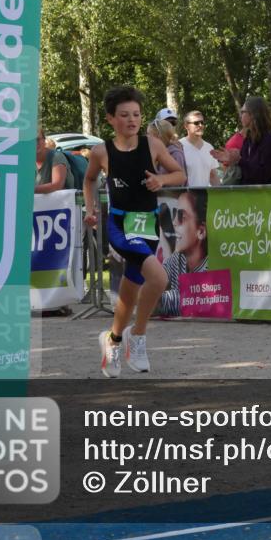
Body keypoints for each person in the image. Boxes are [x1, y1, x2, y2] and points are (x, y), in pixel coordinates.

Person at [83, 86, 186, 377]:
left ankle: (113, 340)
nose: (132, 120)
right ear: (110, 119)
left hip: (148, 224)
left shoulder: (153, 145)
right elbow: (89, 180)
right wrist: (90, 209)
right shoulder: (101, 151)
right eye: (125, 115)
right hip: (120, 226)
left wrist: (161, 181)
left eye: (136, 114)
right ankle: (137, 336)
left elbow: (180, 174)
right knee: (159, 277)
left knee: (130, 291)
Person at [157, 190, 209, 318]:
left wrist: (149, 297)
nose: (174, 222)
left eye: (181, 217)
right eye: (175, 214)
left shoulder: (211, 267)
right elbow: (155, 282)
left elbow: (190, 302)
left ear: (201, 231)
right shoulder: (178, 258)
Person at [236, 96, 271, 185]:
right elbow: (246, 173)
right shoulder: (248, 139)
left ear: (253, 114)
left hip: (270, 192)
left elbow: (262, 175)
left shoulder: (269, 140)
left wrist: (239, 160)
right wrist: (232, 160)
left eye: (243, 112)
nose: (240, 115)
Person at [180, 110, 218, 187]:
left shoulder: (209, 148)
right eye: (196, 123)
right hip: (184, 194)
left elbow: (213, 176)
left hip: (205, 194)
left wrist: (220, 193)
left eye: (202, 122)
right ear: (186, 126)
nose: (200, 125)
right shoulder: (178, 146)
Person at [148, 118, 187, 184]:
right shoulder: (156, 151)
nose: (147, 137)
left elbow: (178, 182)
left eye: (149, 134)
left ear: (159, 136)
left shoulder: (176, 154)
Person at [35, 127, 74, 193]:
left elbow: (57, 185)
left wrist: (28, 190)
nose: (35, 143)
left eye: (37, 139)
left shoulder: (57, 157)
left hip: (63, 200)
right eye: (30, 141)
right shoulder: (26, 161)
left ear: (44, 140)